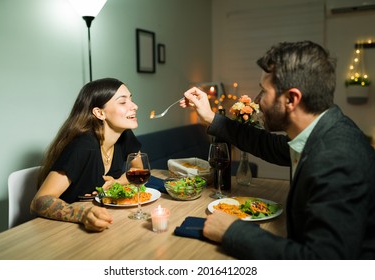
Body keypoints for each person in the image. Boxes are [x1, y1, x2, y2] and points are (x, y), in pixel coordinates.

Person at [180, 41, 375, 259]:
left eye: (264, 91)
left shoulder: (337, 159)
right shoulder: (322, 131)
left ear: (291, 99)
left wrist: (232, 231)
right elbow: (268, 145)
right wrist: (210, 117)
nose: (257, 100)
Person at [31, 78, 141, 232]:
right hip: (61, 230)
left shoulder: (125, 135)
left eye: (131, 99)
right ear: (99, 113)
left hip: (105, 221)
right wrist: (83, 214)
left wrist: (117, 182)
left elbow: (138, 171)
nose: (134, 106)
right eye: (123, 102)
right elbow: (39, 201)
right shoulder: (83, 146)